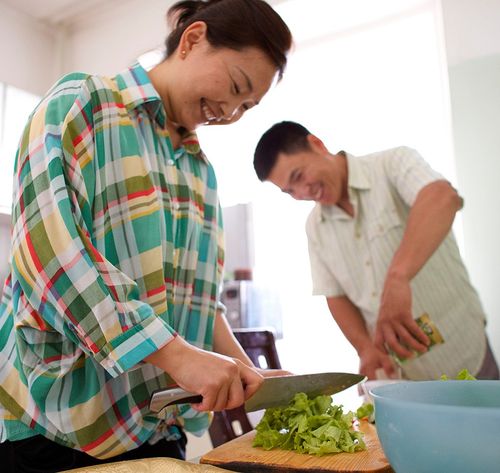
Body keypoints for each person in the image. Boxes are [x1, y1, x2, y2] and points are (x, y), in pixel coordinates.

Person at [0, 1, 292, 471]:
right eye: (236, 87)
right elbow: (50, 256)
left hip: (155, 426)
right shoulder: (83, 103)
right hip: (56, 425)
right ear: (192, 39)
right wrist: (177, 356)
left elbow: (200, 302)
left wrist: (248, 372)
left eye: (246, 106)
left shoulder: (201, 173)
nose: (231, 111)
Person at [253, 121, 499, 382]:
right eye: (289, 191)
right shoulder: (315, 227)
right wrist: (365, 348)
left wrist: (398, 278)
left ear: (317, 144)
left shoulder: (392, 164)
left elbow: (442, 197)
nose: (302, 193)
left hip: (464, 351)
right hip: (404, 378)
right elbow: (335, 295)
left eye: (299, 176)